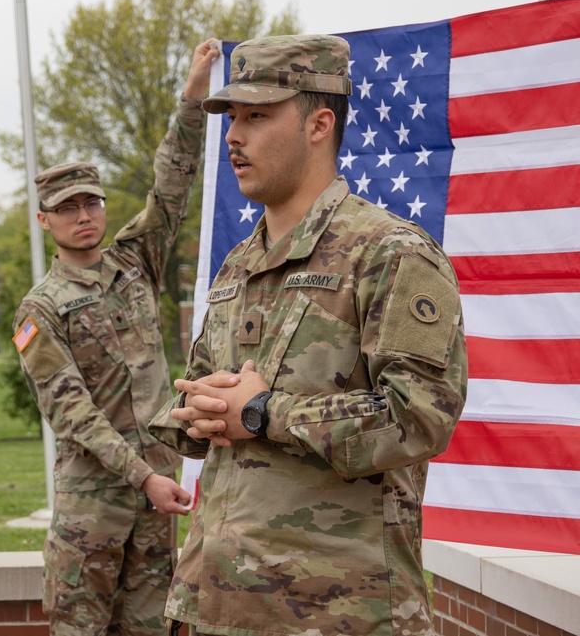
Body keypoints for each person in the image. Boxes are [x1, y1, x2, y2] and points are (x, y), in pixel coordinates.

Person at [148, 35, 468, 636]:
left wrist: (266, 412)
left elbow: (421, 417)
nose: (234, 137)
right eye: (232, 118)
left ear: (320, 123)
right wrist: (197, 412)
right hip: (212, 603)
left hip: (338, 615)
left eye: (257, 116)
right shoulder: (238, 265)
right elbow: (207, 395)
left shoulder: (390, 253)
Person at [11, 39, 219, 636]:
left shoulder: (136, 264)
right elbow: (70, 410)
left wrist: (193, 93)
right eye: (68, 207)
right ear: (44, 219)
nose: (84, 215)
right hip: (94, 506)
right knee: (81, 628)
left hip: (156, 495)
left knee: (152, 627)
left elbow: (172, 188)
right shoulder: (39, 309)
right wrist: (144, 475)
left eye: (92, 202)